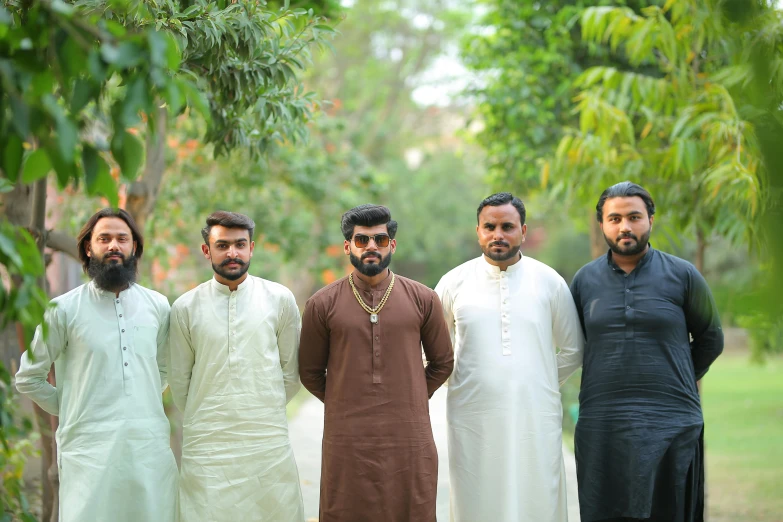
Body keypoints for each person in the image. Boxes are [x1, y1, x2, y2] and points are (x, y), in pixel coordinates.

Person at [570, 182, 724, 522]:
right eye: (615, 218)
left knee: (670, 509)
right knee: (604, 509)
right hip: (602, 423)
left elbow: (711, 337)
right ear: (602, 225)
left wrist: (676, 378)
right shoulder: (584, 282)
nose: (625, 226)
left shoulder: (682, 274)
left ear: (651, 220)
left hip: (671, 421)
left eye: (634, 217)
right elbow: (575, 344)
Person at [15, 208, 177, 522]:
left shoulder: (158, 305)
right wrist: (73, 406)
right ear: (89, 248)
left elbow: (165, 367)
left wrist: (135, 402)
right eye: (104, 238)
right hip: (88, 452)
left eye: (122, 238)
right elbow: (29, 378)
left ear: (134, 248)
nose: (113, 245)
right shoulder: (63, 309)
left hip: (147, 449)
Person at [434, 192, 584, 522]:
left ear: (523, 231)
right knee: (476, 493)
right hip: (472, 413)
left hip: (535, 412)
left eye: (507, 226)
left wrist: (537, 380)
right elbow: (433, 351)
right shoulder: (453, 283)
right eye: (489, 226)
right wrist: (464, 382)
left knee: (538, 492)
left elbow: (573, 350)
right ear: (478, 232)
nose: (498, 234)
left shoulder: (549, 282)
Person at [299, 204, 454, 522]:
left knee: (412, 508)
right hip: (347, 440)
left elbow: (442, 362)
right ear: (347, 246)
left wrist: (409, 398)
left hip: (409, 438)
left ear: (392, 245)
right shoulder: (322, 303)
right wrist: (344, 401)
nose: (371, 246)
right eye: (362, 240)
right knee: (346, 509)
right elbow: (310, 371)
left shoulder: (423, 299)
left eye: (380, 239)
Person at [168, 210, 304, 521]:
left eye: (240, 244)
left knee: (274, 510)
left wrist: (258, 406)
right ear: (207, 250)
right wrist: (213, 413)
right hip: (208, 444)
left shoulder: (279, 299)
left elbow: (291, 372)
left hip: (266, 441)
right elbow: (179, 380)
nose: (233, 253)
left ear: (252, 248)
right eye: (223, 245)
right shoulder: (185, 308)